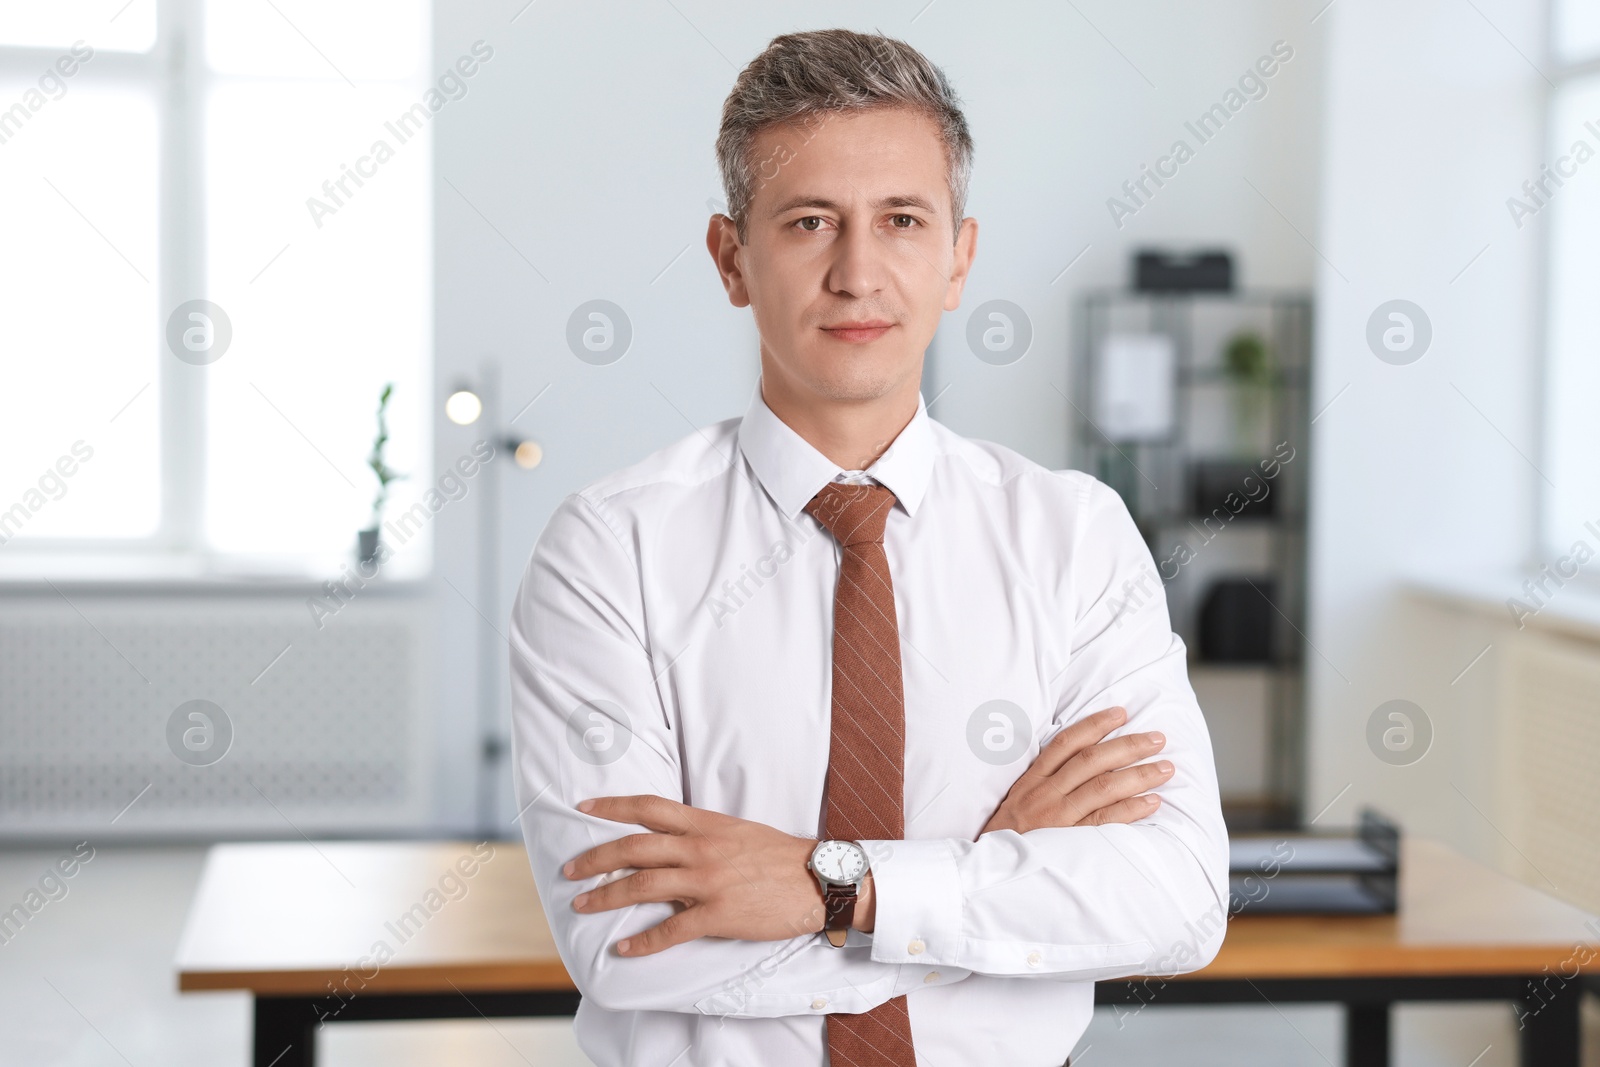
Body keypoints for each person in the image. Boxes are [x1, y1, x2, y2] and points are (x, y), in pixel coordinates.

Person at [510, 27, 1228, 1066]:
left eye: (900, 220)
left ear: (956, 259)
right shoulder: (608, 549)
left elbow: (1174, 899)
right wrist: (984, 876)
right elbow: (628, 942)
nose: (857, 272)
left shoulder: (1074, 535)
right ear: (731, 259)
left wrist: (833, 884)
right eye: (809, 222)